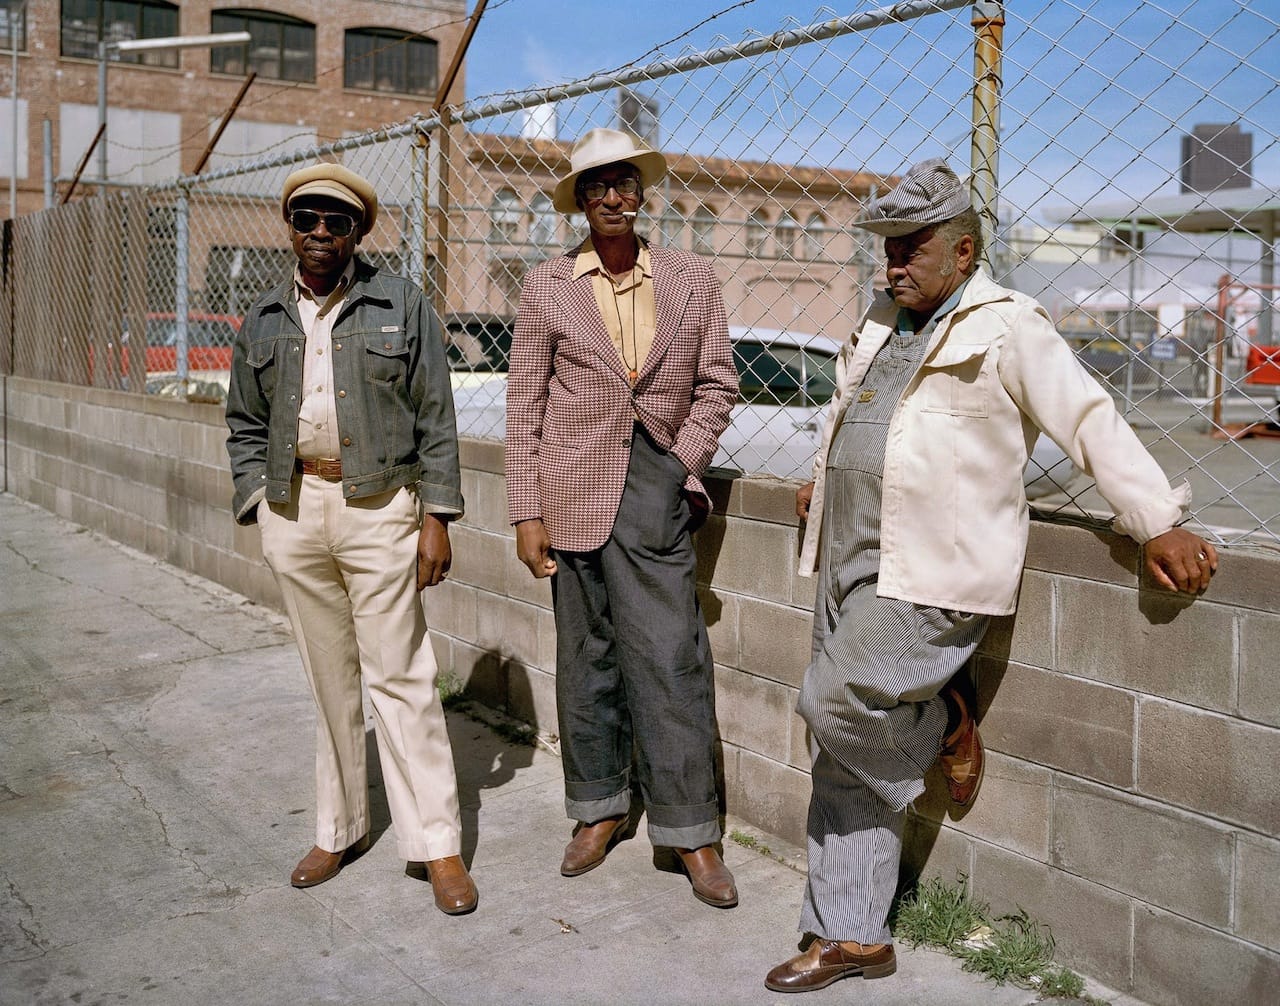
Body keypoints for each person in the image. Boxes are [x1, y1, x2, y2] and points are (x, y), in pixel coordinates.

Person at [765, 158, 1217, 991]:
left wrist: (1157, 518)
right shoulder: (882, 318)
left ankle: (942, 720)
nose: (892, 264)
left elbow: (1086, 416)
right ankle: (852, 935)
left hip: (931, 565)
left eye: (911, 247)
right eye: (887, 247)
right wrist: (824, 479)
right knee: (838, 746)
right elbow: (853, 415)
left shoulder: (1009, 324)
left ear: (964, 251)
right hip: (847, 552)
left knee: (833, 702)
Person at [225, 162, 478, 915]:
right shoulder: (264, 316)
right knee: (328, 681)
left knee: (400, 677)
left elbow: (436, 417)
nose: (321, 233)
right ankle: (338, 830)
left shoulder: (400, 303)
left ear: (358, 233)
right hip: (295, 508)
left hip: (380, 507)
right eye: (307, 220)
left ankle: (437, 846)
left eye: (337, 222)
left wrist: (437, 517)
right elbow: (243, 422)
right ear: (290, 228)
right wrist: (260, 507)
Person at [505, 128, 740, 907]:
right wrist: (526, 511)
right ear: (580, 200)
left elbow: (718, 384)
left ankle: (690, 831)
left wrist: (678, 464)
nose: (613, 198)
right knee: (588, 658)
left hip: (655, 485)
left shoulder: (692, 277)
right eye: (597, 186)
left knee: (670, 658)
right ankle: (598, 808)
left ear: (642, 194)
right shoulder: (546, 285)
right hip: (570, 488)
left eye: (625, 184)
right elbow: (524, 405)